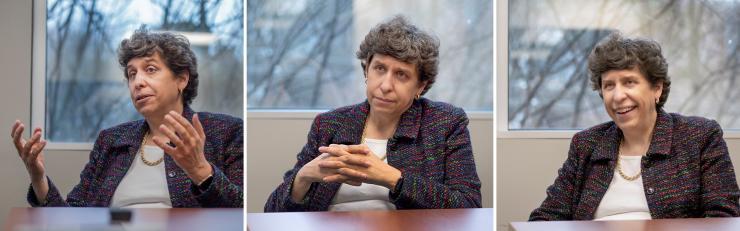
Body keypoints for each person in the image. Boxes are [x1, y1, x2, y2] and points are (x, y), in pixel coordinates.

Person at [264, 15, 481, 212]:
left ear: (420, 87)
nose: (386, 85)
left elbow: (468, 206)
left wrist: (392, 177)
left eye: (401, 75)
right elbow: (272, 212)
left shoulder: (445, 123)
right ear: (366, 70)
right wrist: (302, 178)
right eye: (379, 68)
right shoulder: (329, 124)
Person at [10, 28, 243, 208]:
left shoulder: (225, 132)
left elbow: (239, 209)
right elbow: (71, 216)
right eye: (132, 74)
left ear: (181, 79)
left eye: (150, 69)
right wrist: (39, 179)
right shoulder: (111, 140)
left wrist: (200, 170)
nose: (138, 82)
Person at [529, 32, 740, 220]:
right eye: (609, 85)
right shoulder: (586, 144)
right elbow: (546, 217)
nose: (618, 96)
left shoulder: (700, 137)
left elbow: (724, 217)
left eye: (629, 82)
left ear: (656, 88)